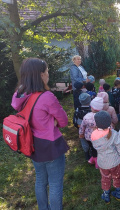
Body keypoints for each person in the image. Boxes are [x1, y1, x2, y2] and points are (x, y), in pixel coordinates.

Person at [11, 58, 69, 209]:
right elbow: (63, 121)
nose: (48, 74)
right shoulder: (47, 97)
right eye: (47, 71)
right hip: (50, 146)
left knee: (40, 180)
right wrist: (53, 122)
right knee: (55, 184)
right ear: (41, 75)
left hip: (31, 144)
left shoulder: (19, 96)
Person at [91, 111, 120, 204]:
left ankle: (106, 196)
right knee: (117, 177)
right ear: (109, 121)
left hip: (103, 163)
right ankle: (118, 194)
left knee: (105, 178)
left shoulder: (93, 135)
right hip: (115, 162)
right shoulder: (114, 134)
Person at [79, 97, 104, 168]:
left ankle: (94, 160)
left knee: (92, 148)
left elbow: (82, 126)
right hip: (99, 136)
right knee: (98, 149)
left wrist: (81, 134)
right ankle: (96, 160)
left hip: (89, 137)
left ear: (91, 107)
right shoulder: (103, 116)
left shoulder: (87, 116)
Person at [73, 93, 92, 160]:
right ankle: (93, 154)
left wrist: (78, 127)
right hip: (91, 130)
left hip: (81, 129)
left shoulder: (78, 110)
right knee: (92, 141)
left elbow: (75, 121)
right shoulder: (91, 110)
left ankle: (87, 154)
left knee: (84, 142)